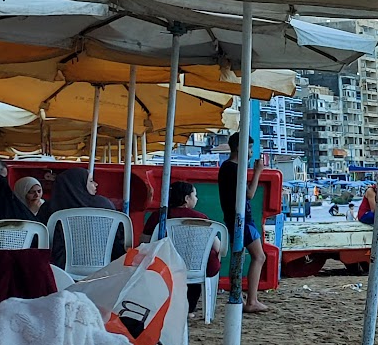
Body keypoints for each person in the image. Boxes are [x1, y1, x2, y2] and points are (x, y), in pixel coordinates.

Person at [142, 181, 223, 316]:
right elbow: (218, 246)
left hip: (164, 265)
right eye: (195, 195)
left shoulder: (159, 217)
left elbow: (144, 241)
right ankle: (189, 308)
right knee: (200, 260)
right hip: (196, 268)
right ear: (186, 198)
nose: (197, 199)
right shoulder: (201, 219)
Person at [216, 135, 273, 313]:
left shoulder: (226, 167)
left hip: (233, 218)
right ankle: (252, 300)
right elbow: (248, 194)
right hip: (242, 219)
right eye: (249, 148)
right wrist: (258, 172)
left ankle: (238, 294)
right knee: (259, 256)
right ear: (240, 149)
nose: (250, 153)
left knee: (238, 256)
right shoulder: (234, 169)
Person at [41, 167, 124, 270]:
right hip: (105, 268)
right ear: (79, 184)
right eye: (90, 181)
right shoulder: (104, 205)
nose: (96, 184)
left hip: (60, 270)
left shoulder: (49, 208)